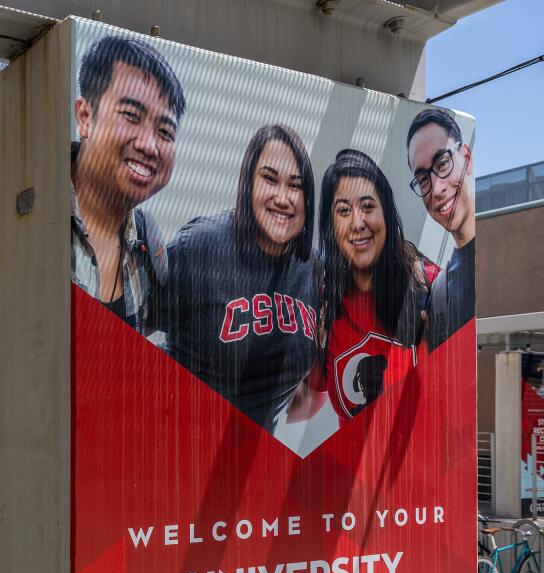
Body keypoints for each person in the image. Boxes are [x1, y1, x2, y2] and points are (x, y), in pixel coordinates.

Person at [150, 124, 320, 432]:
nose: (283, 198)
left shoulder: (312, 268)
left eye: (295, 185)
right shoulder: (201, 246)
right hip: (180, 449)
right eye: (270, 179)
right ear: (247, 184)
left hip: (254, 463)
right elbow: (132, 325)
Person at [308, 149, 438, 420]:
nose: (357, 223)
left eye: (367, 206)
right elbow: (308, 389)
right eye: (343, 211)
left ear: (386, 213)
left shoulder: (430, 286)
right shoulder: (326, 305)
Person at [71, 34, 186, 332]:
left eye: (165, 132)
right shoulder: (38, 215)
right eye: (131, 116)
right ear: (85, 117)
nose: (149, 145)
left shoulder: (149, 241)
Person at [406, 108, 475, 351]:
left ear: (466, 157)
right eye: (423, 179)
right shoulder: (439, 292)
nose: (436, 189)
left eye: (443, 163)